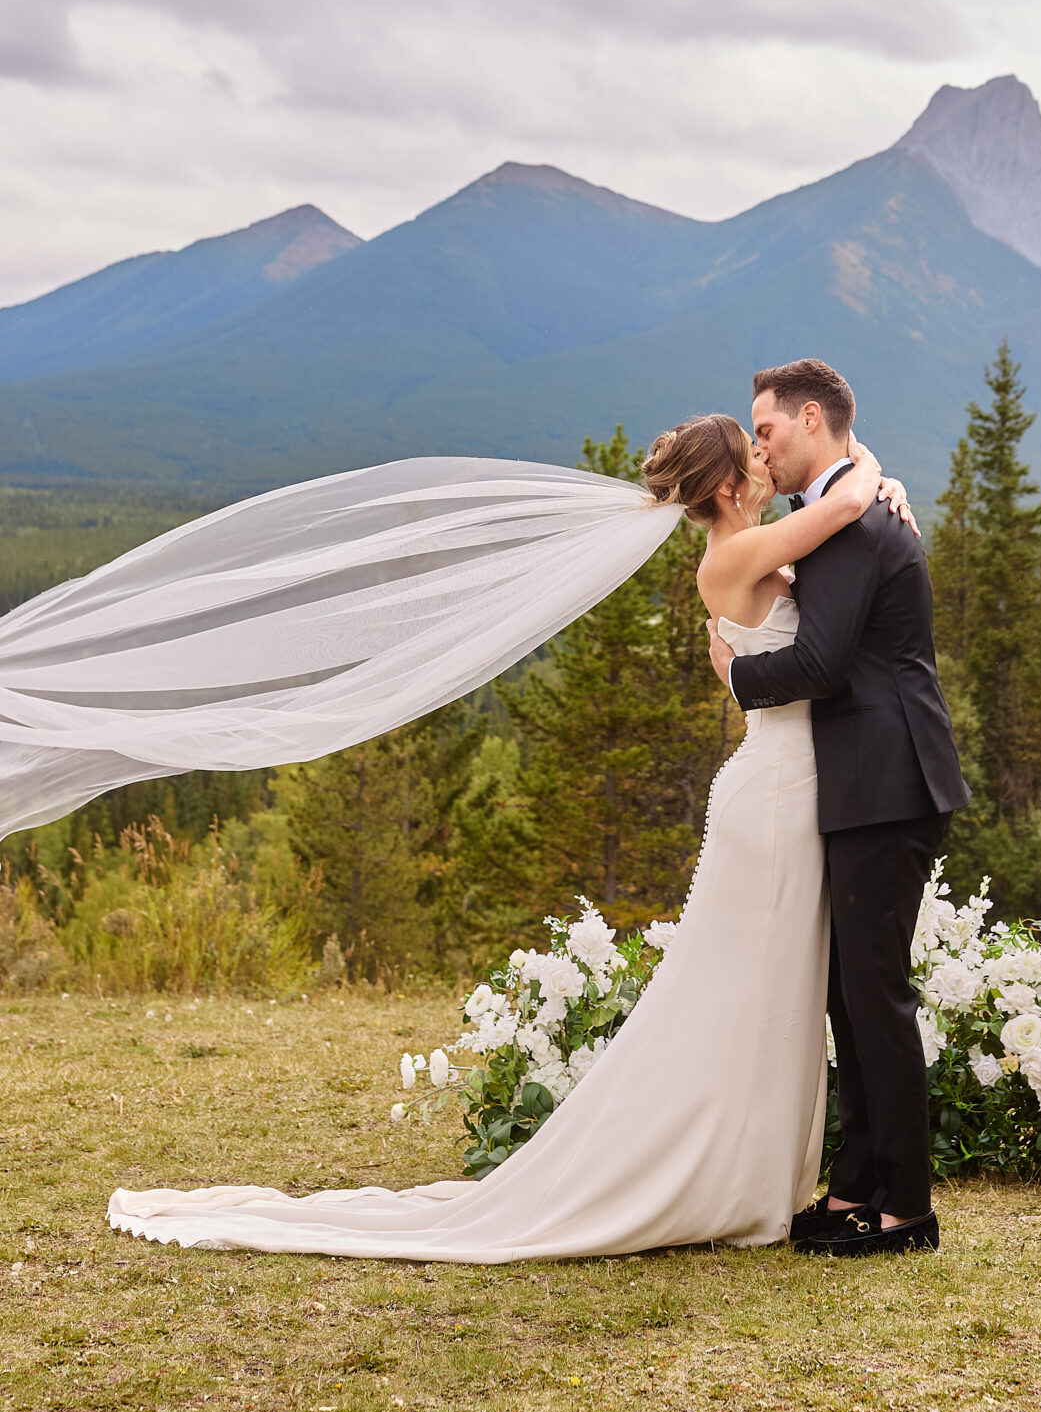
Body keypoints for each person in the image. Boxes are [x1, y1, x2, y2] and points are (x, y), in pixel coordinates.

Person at [105, 415, 917, 1262]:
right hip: (777, 795)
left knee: (763, 988)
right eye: (750, 452)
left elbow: (826, 550)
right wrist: (870, 470)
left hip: (787, 786)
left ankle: (763, 1169)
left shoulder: (749, 547)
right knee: (755, 989)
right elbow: (843, 504)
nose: (763, 459)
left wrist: (864, 488)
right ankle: (729, 1173)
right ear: (722, 487)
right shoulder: (734, 554)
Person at [708, 358, 970, 1260]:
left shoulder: (857, 530)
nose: (759, 448)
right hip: (863, 781)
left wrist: (738, 674)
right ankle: (859, 1183)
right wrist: (870, 472)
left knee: (874, 993)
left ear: (810, 417)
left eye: (768, 429)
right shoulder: (843, 511)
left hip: (889, 782)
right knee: (847, 994)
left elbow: (819, 664)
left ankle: (906, 1208)